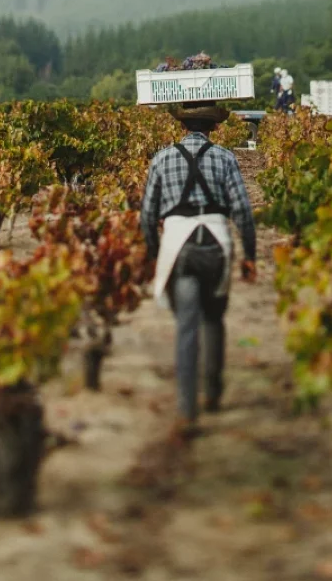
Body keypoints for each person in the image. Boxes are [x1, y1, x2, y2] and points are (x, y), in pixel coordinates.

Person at [140, 103, 257, 432]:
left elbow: (147, 216)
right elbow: (243, 212)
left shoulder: (161, 158)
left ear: (182, 126)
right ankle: (214, 392)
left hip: (179, 246)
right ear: (215, 127)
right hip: (216, 244)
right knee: (214, 317)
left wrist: (152, 254)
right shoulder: (225, 158)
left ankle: (186, 409)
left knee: (186, 328)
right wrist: (250, 255)